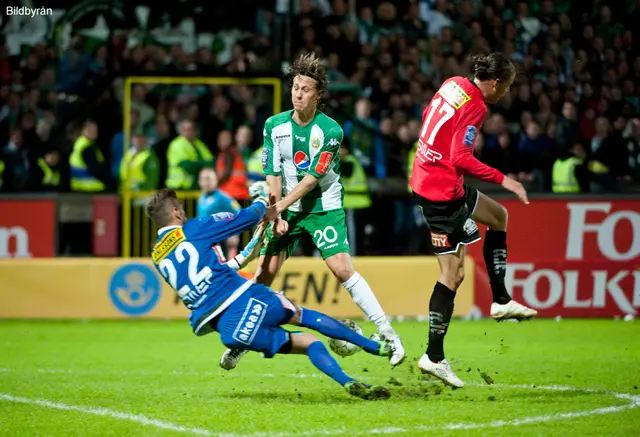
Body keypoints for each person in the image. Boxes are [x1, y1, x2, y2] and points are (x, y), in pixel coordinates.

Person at [220, 52, 405, 370]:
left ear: (318, 94)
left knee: (342, 269)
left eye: (305, 89)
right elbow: (272, 174)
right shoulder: (273, 126)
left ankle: (389, 334)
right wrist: (276, 216)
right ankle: (243, 341)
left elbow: (309, 182)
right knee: (263, 274)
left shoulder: (331, 132)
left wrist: (277, 208)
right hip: (286, 208)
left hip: (323, 205)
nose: (298, 93)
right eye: (295, 87)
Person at [146, 187, 392, 400]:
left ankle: (347, 381)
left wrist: (241, 258)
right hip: (242, 299)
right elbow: (247, 217)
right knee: (300, 314)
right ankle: (375, 347)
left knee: (309, 344)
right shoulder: (194, 228)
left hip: (228, 331)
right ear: (176, 212)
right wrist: (262, 199)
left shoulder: (157, 255)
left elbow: (202, 274)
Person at [409, 53, 538, 388]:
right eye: (506, 87)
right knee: (453, 275)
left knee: (499, 215)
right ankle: (433, 358)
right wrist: (504, 179)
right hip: (439, 193)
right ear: (495, 83)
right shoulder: (478, 105)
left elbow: (428, 116)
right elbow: (461, 157)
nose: (505, 93)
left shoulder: (454, 84)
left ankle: (500, 299)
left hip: (437, 179)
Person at [197, 167, 242, 258]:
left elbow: (239, 213)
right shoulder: (202, 197)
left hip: (221, 239)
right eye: (203, 179)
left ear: (216, 180)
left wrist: (234, 233)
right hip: (207, 238)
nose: (206, 183)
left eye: (208, 179)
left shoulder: (222, 197)